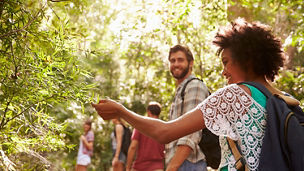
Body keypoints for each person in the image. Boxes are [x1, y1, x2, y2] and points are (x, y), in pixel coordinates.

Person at [92, 18, 286, 171]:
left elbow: (164, 132)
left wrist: (121, 111)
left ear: (247, 60)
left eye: (226, 62)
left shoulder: (234, 95)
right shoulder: (281, 99)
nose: (223, 71)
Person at [165, 45, 209, 171]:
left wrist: (172, 167)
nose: (176, 64)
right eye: (172, 61)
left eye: (180, 60)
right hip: (180, 164)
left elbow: (191, 133)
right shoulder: (181, 90)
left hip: (189, 164)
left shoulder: (194, 86)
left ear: (191, 63)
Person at [126, 102, 165, 171]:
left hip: (140, 167)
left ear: (148, 112)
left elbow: (133, 147)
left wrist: (128, 167)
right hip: (157, 167)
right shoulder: (164, 127)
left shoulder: (140, 126)